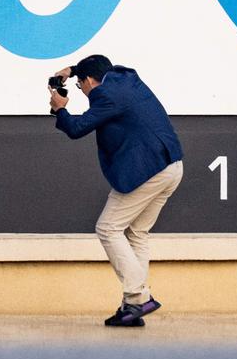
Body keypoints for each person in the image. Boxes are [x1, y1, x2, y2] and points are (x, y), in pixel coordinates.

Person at [49, 54, 183, 328]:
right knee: (136, 232)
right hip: (172, 166)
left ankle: (139, 296)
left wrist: (60, 109)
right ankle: (131, 308)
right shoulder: (126, 77)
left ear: (89, 81)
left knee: (108, 228)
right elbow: (99, 67)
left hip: (148, 169)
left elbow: (76, 129)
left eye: (80, 84)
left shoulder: (106, 95)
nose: (82, 91)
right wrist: (73, 70)